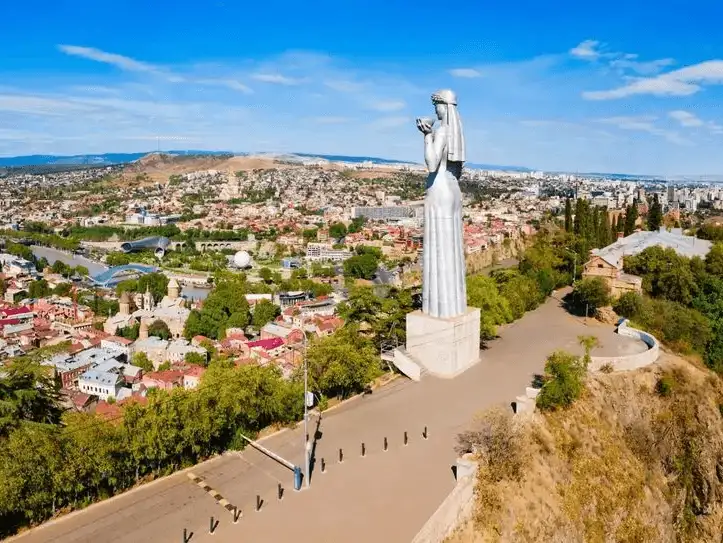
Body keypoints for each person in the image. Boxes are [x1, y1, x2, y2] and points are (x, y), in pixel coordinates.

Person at [415, 89, 467, 319]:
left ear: (444, 106)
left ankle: (438, 311)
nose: (435, 110)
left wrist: (427, 135)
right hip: (454, 190)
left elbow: (432, 163)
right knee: (451, 247)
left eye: (436, 105)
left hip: (439, 190)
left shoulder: (443, 130)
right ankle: (453, 307)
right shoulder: (457, 133)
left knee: (440, 248)